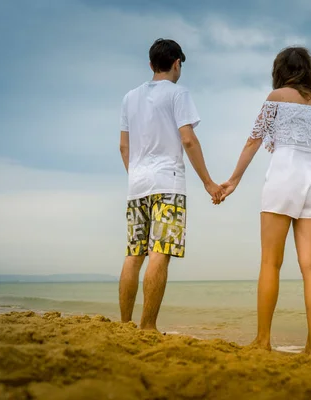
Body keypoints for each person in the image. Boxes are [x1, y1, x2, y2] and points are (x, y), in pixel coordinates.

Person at [221, 46, 311, 354]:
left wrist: (233, 180)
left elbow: (254, 139)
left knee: (271, 262)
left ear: (280, 71)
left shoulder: (276, 97)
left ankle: (263, 340)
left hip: (285, 173)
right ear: (308, 70)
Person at [118, 38, 223, 332]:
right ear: (177, 64)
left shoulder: (129, 98)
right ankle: (148, 326)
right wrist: (208, 182)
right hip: (168, 183)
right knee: (160, 251)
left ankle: (125, 325)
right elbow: (188, 139)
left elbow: (123, 147)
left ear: (151, 65)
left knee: (133, 254)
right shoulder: (178, 94)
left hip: (136, 185)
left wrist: (136, 174)